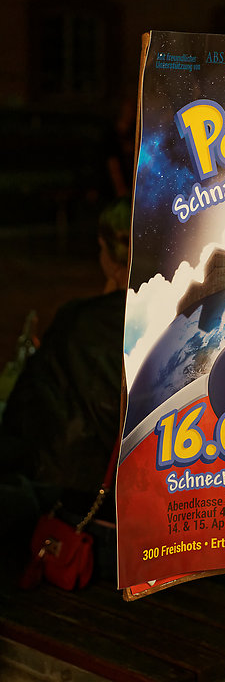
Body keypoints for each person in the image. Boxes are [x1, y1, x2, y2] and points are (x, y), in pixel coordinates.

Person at [0, 198, 131, 548]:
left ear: (106, 250)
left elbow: (28, 422)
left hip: (89, 511)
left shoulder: (78, 322)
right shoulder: (184, 316)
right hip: (161, 502)